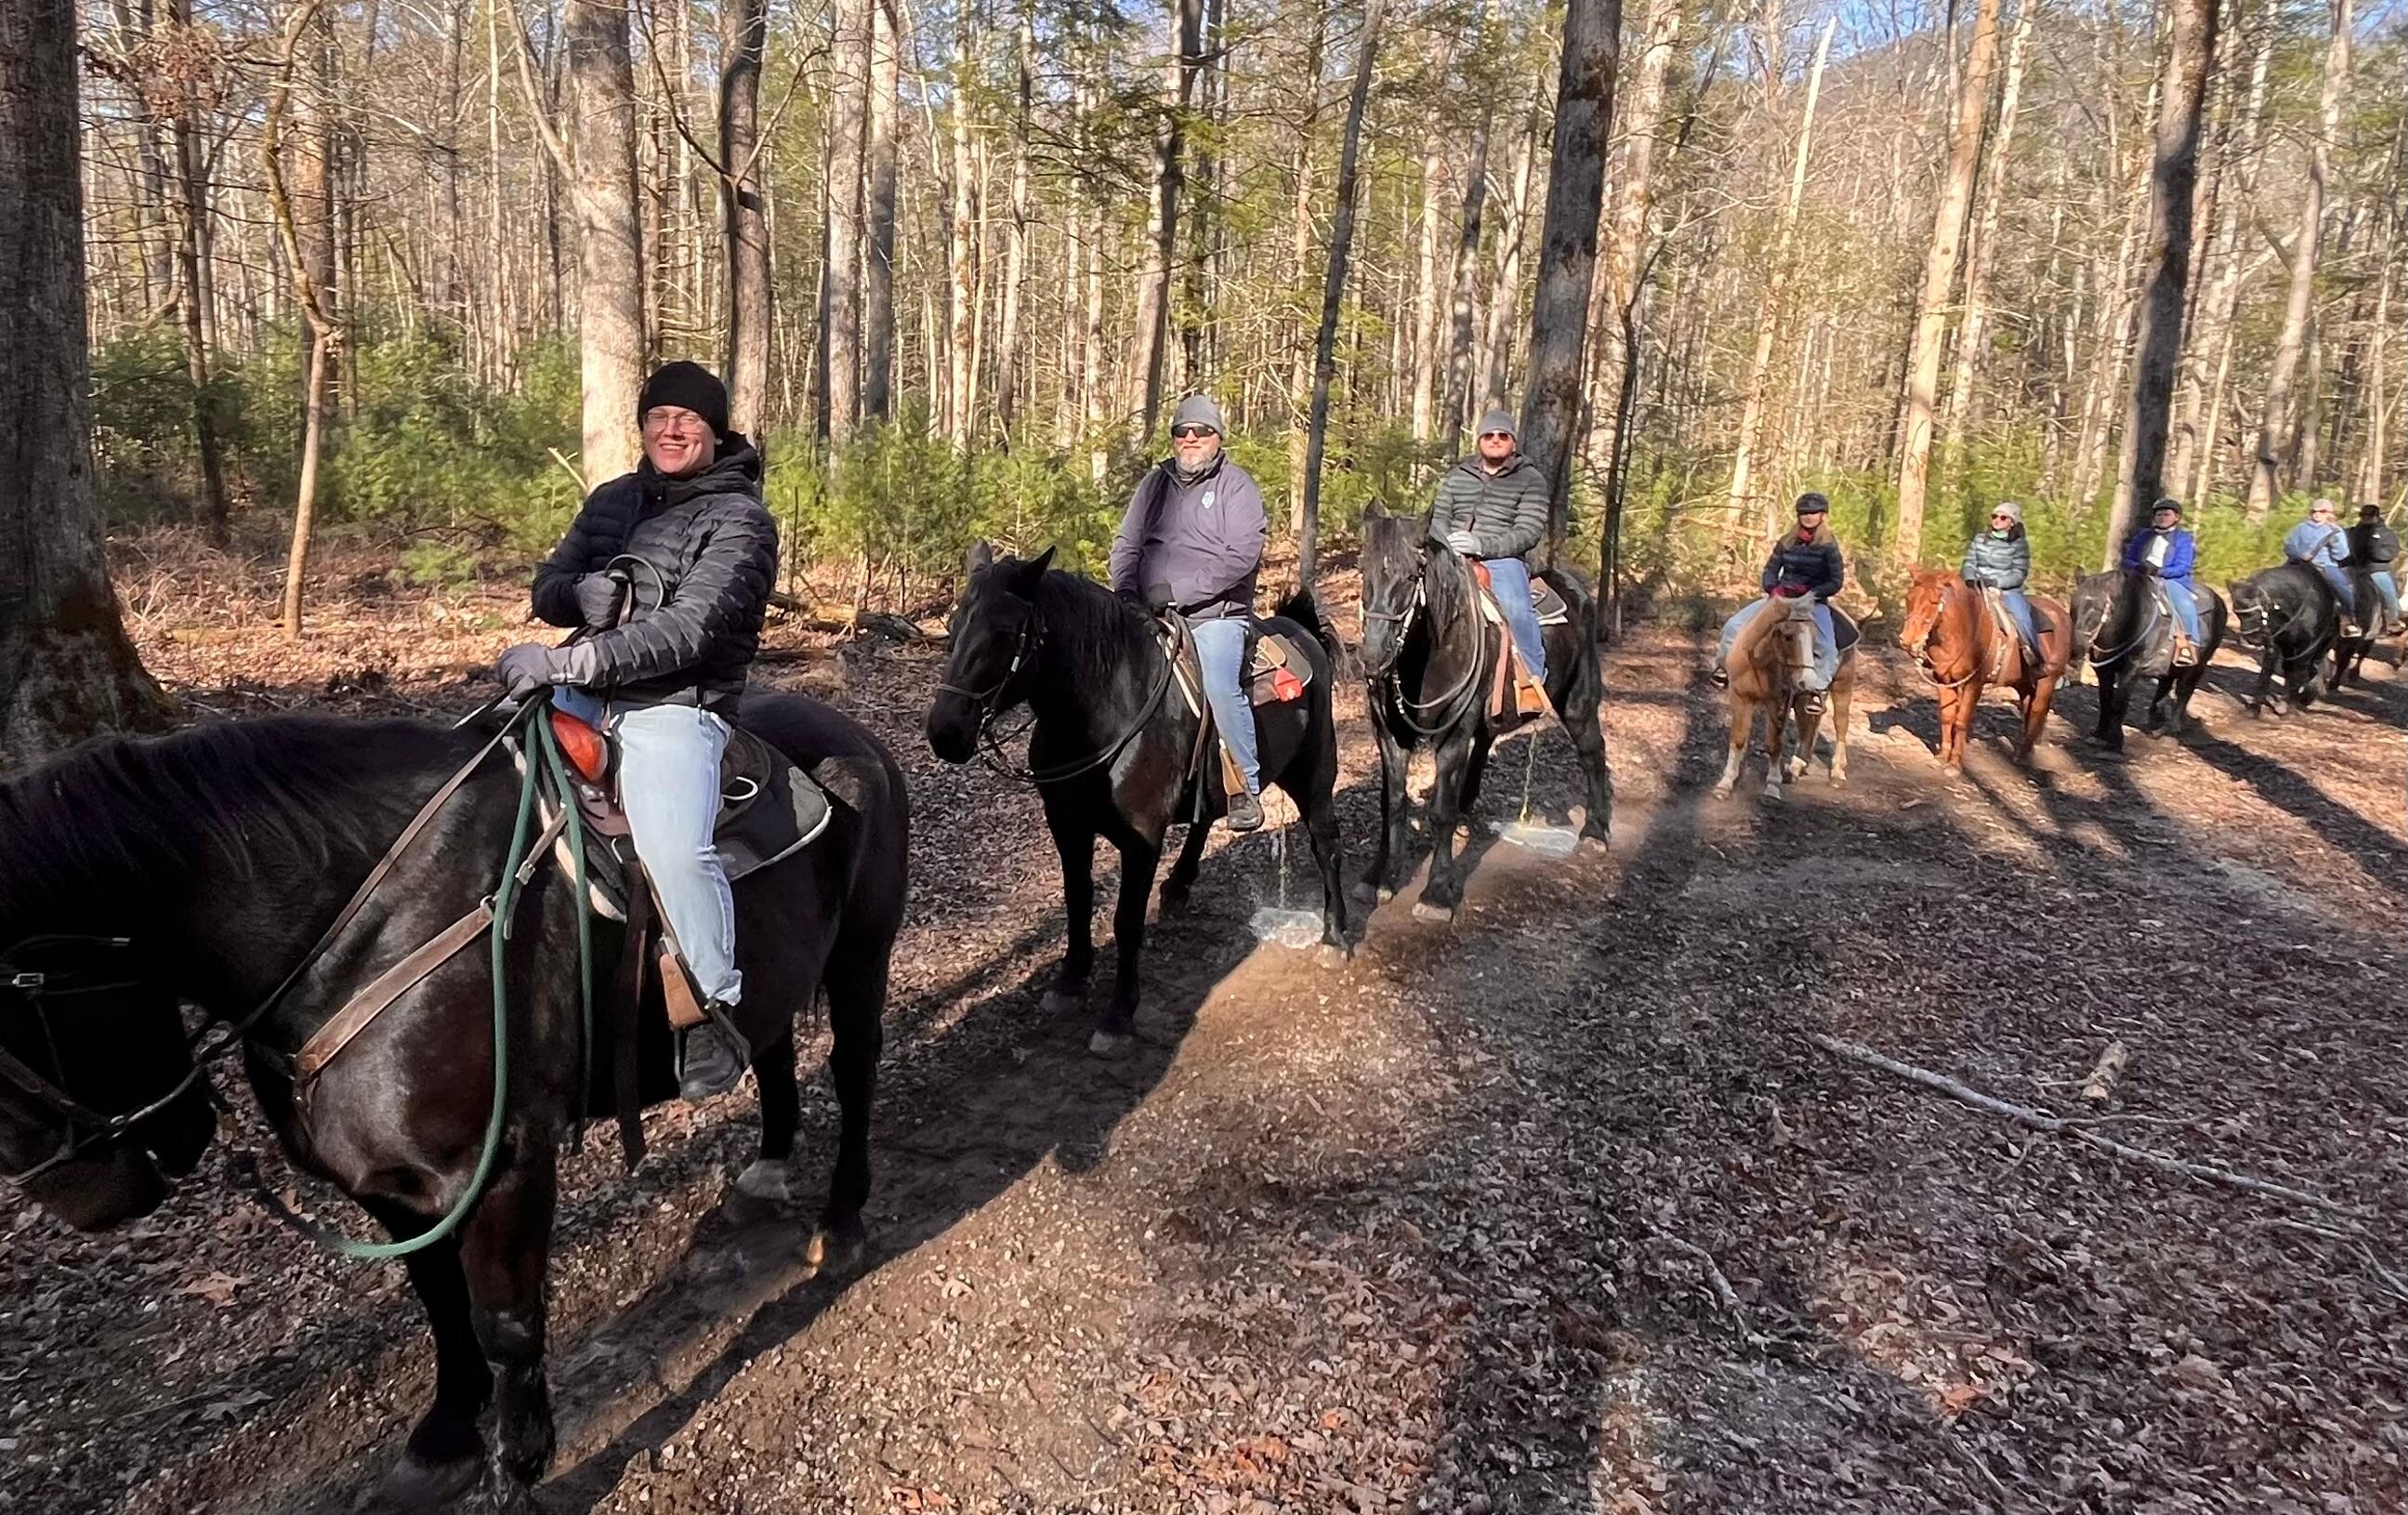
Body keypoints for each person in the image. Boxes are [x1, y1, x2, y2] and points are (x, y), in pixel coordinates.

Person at [496, 361, 779, 1102]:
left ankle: (712, 1009)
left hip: (676, 705)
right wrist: (574, 593)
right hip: (586, 692)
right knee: (482, 778)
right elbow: (548, 586)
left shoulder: (741, 520)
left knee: (676, 851)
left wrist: (572, 662)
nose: (672, 428)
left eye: (689, 418)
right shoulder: (611, 500)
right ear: (644, 425)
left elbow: (690, 632)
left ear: (716, 431)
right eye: (659, 416)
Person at [1109, 394, 1270, 831]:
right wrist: (1125, 591)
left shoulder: (1237, 487)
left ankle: (1244, 786)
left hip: (1214, 618)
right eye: (1182, 431)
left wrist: (1177, 592)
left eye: (1201, 431)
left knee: (1218, 683)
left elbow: (1241, 557)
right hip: (1146, 612)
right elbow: (1126, 545)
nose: (1191, 438)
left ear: (1218, 437)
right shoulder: (1154, 485)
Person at [1428, 407, 1549, 709]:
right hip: (1451, 555)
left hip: (1503, 559)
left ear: (1513, 442)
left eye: (1502, 435)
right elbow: (1439, 516)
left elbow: (1528, 531)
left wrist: (1482, 544)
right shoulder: (1458, 477)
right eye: (1489, 435)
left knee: (1516, 608)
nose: (1495, 439)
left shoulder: (1530, 480)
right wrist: (1446, 543)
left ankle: (1531, 681)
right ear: (1480, 440)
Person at [1714, 492, 1845, 714]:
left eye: (1813, 513)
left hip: (1812, 602)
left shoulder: (1829, 546)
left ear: (1823, 515)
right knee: (1734, 626)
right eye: (1804, 513)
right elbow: (1770, 569)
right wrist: (1772, 587)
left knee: (1827, 647)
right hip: (1780, 598)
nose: (1808, 517)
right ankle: (1724, 669)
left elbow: (1835, 581)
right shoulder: (1787, 541)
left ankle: (1815, 691)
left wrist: (1812, 593)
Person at [2118, 496, 2201, 665]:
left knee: (2183, 603)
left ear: (2176, 517)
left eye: (2167, 515)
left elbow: (2183, 566)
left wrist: (2161, 572)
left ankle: (2187, 643)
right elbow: (2128, 558)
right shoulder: (2143, 536)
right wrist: (2138, 567)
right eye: (2159, 515)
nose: (2162, 518)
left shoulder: (2183, 538)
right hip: (2140, 575)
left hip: (2170, 579)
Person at [1960, 499, 2040, 659]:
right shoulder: (1979, 539)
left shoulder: (2019, 545)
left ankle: (2033, 654)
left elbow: (2019, 573)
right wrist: (1970, 579)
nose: (1997, 520)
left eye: (2003, 518)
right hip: (1977, 585)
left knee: (2023, 618)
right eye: (1995, 516)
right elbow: (1969, 563)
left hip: (2007, 590)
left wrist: (1997, 584)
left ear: (2012, 523)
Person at [2283, 496, 2362, 636]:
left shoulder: (2335, 531)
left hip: (2325, 566)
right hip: (2298, 564)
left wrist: (2335, 543)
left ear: (2329, 513)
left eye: (2322, 511)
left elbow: (2342, 555)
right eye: (2314, 511)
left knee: (2344, 588)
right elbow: (2289, 546)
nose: (2317, 513)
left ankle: (2348, 620)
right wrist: (2300, 554)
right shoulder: (2300, 528)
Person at [2348, 503, 2403, 635]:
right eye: (2363, 516)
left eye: (2368, 516)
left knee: (2387, 590)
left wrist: (2374, 553)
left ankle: (2393, 619)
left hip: (2377, 568)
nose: (2365, 518)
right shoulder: (2354, 532)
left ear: (2376, 516)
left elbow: (2392, 551)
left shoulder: (2386, 534)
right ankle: (2344, 617)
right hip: (2355, 567)